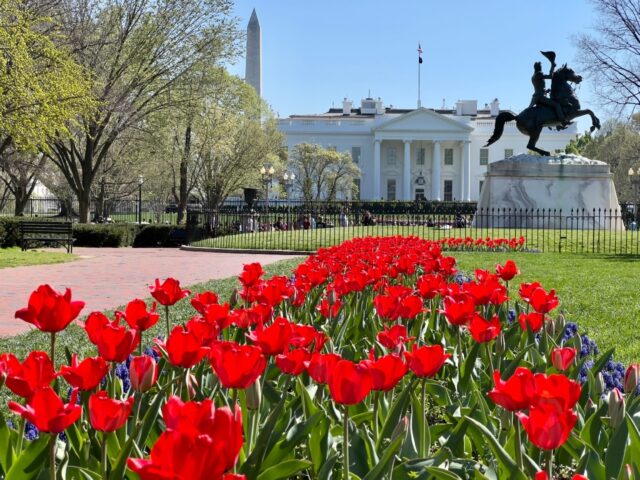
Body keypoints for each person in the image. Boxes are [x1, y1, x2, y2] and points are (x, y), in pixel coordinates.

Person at [528, 51, 567, 125]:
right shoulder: (539, 74)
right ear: (539, 68)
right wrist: (552, 65)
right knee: (557, 105)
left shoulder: (533, 77)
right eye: (541, 67)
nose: (541, 68)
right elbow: (550, 76)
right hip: (541, 97)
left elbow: (538, 87)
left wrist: (545, 91)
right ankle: (563, 121)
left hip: (536, 97)